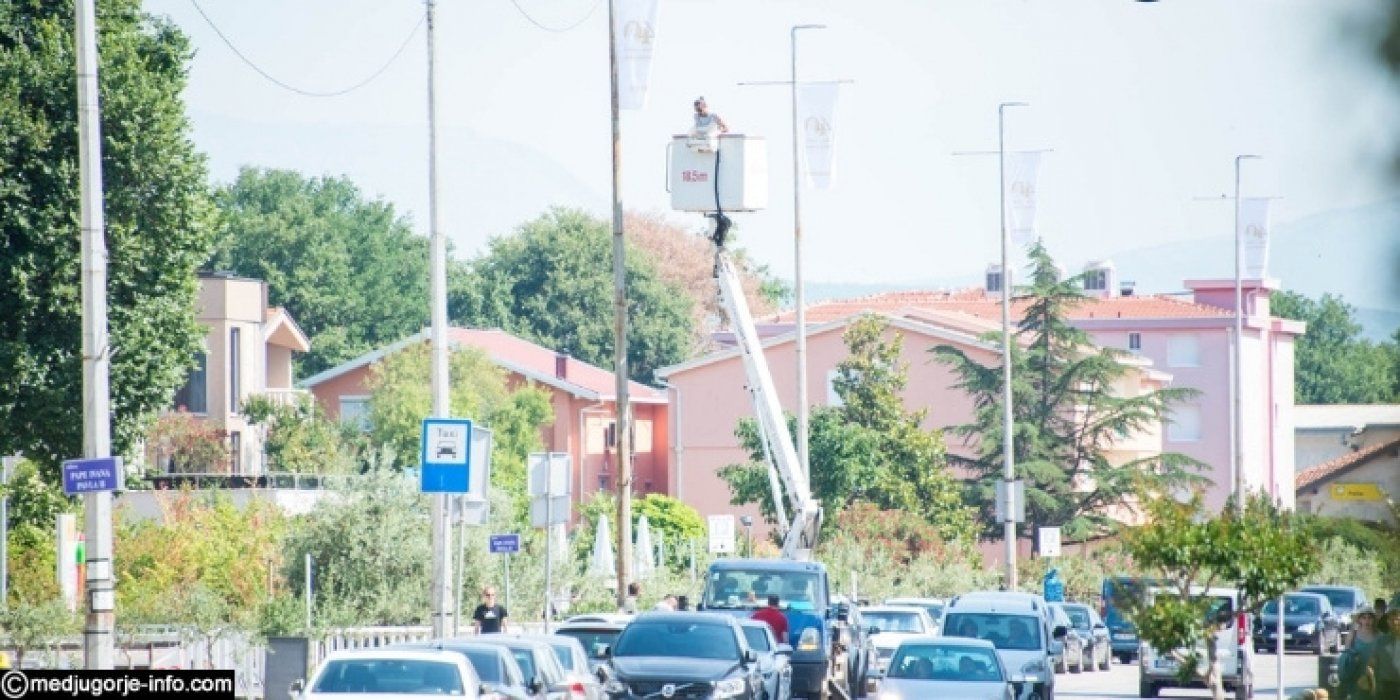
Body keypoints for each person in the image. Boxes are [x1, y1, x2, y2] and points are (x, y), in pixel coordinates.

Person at [1340, 608, 1380, 700]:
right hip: (1355, 676)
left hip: (1374, 677)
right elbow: (1346, 654)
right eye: (1364, 618)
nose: (1367, 621)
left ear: (1374, 620)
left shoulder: (1379, 635)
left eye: (1369, 618)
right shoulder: (1353, 634)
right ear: (1359, 619)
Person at [1367, 609, 1400, 699]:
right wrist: (1371, 682)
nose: (1395, 622)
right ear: (1388, 622)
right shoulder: (1381, 641)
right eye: (1391, 620)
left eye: (1397, 619)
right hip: (1385, 687)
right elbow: (1371, 664)